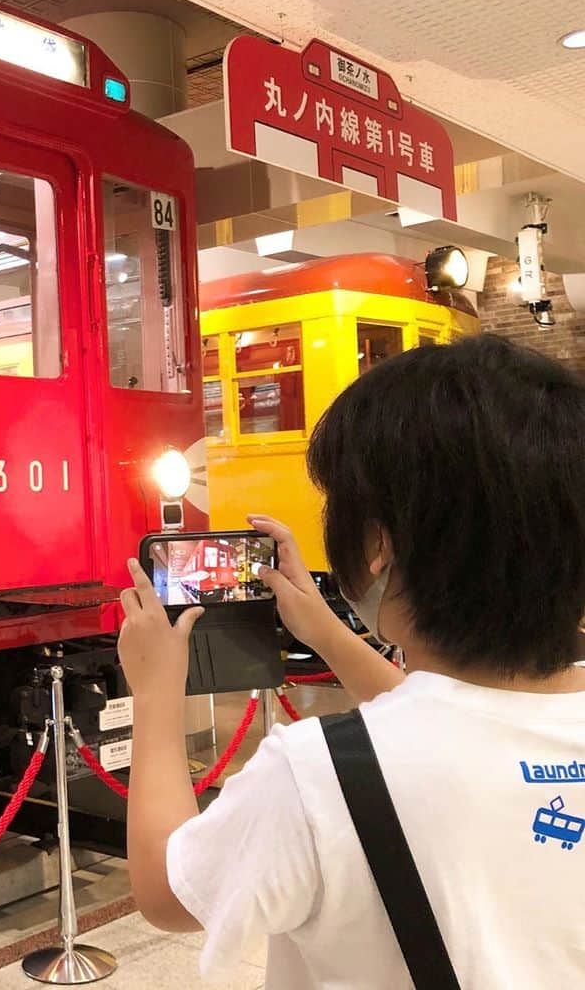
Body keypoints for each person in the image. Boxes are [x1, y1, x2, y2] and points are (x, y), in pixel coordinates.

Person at [118, 334, 585, 988]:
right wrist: (320, 628)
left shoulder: (314, 776)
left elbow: (168, 890)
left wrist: (155, 693)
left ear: (376, 543)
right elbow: (448, 717)